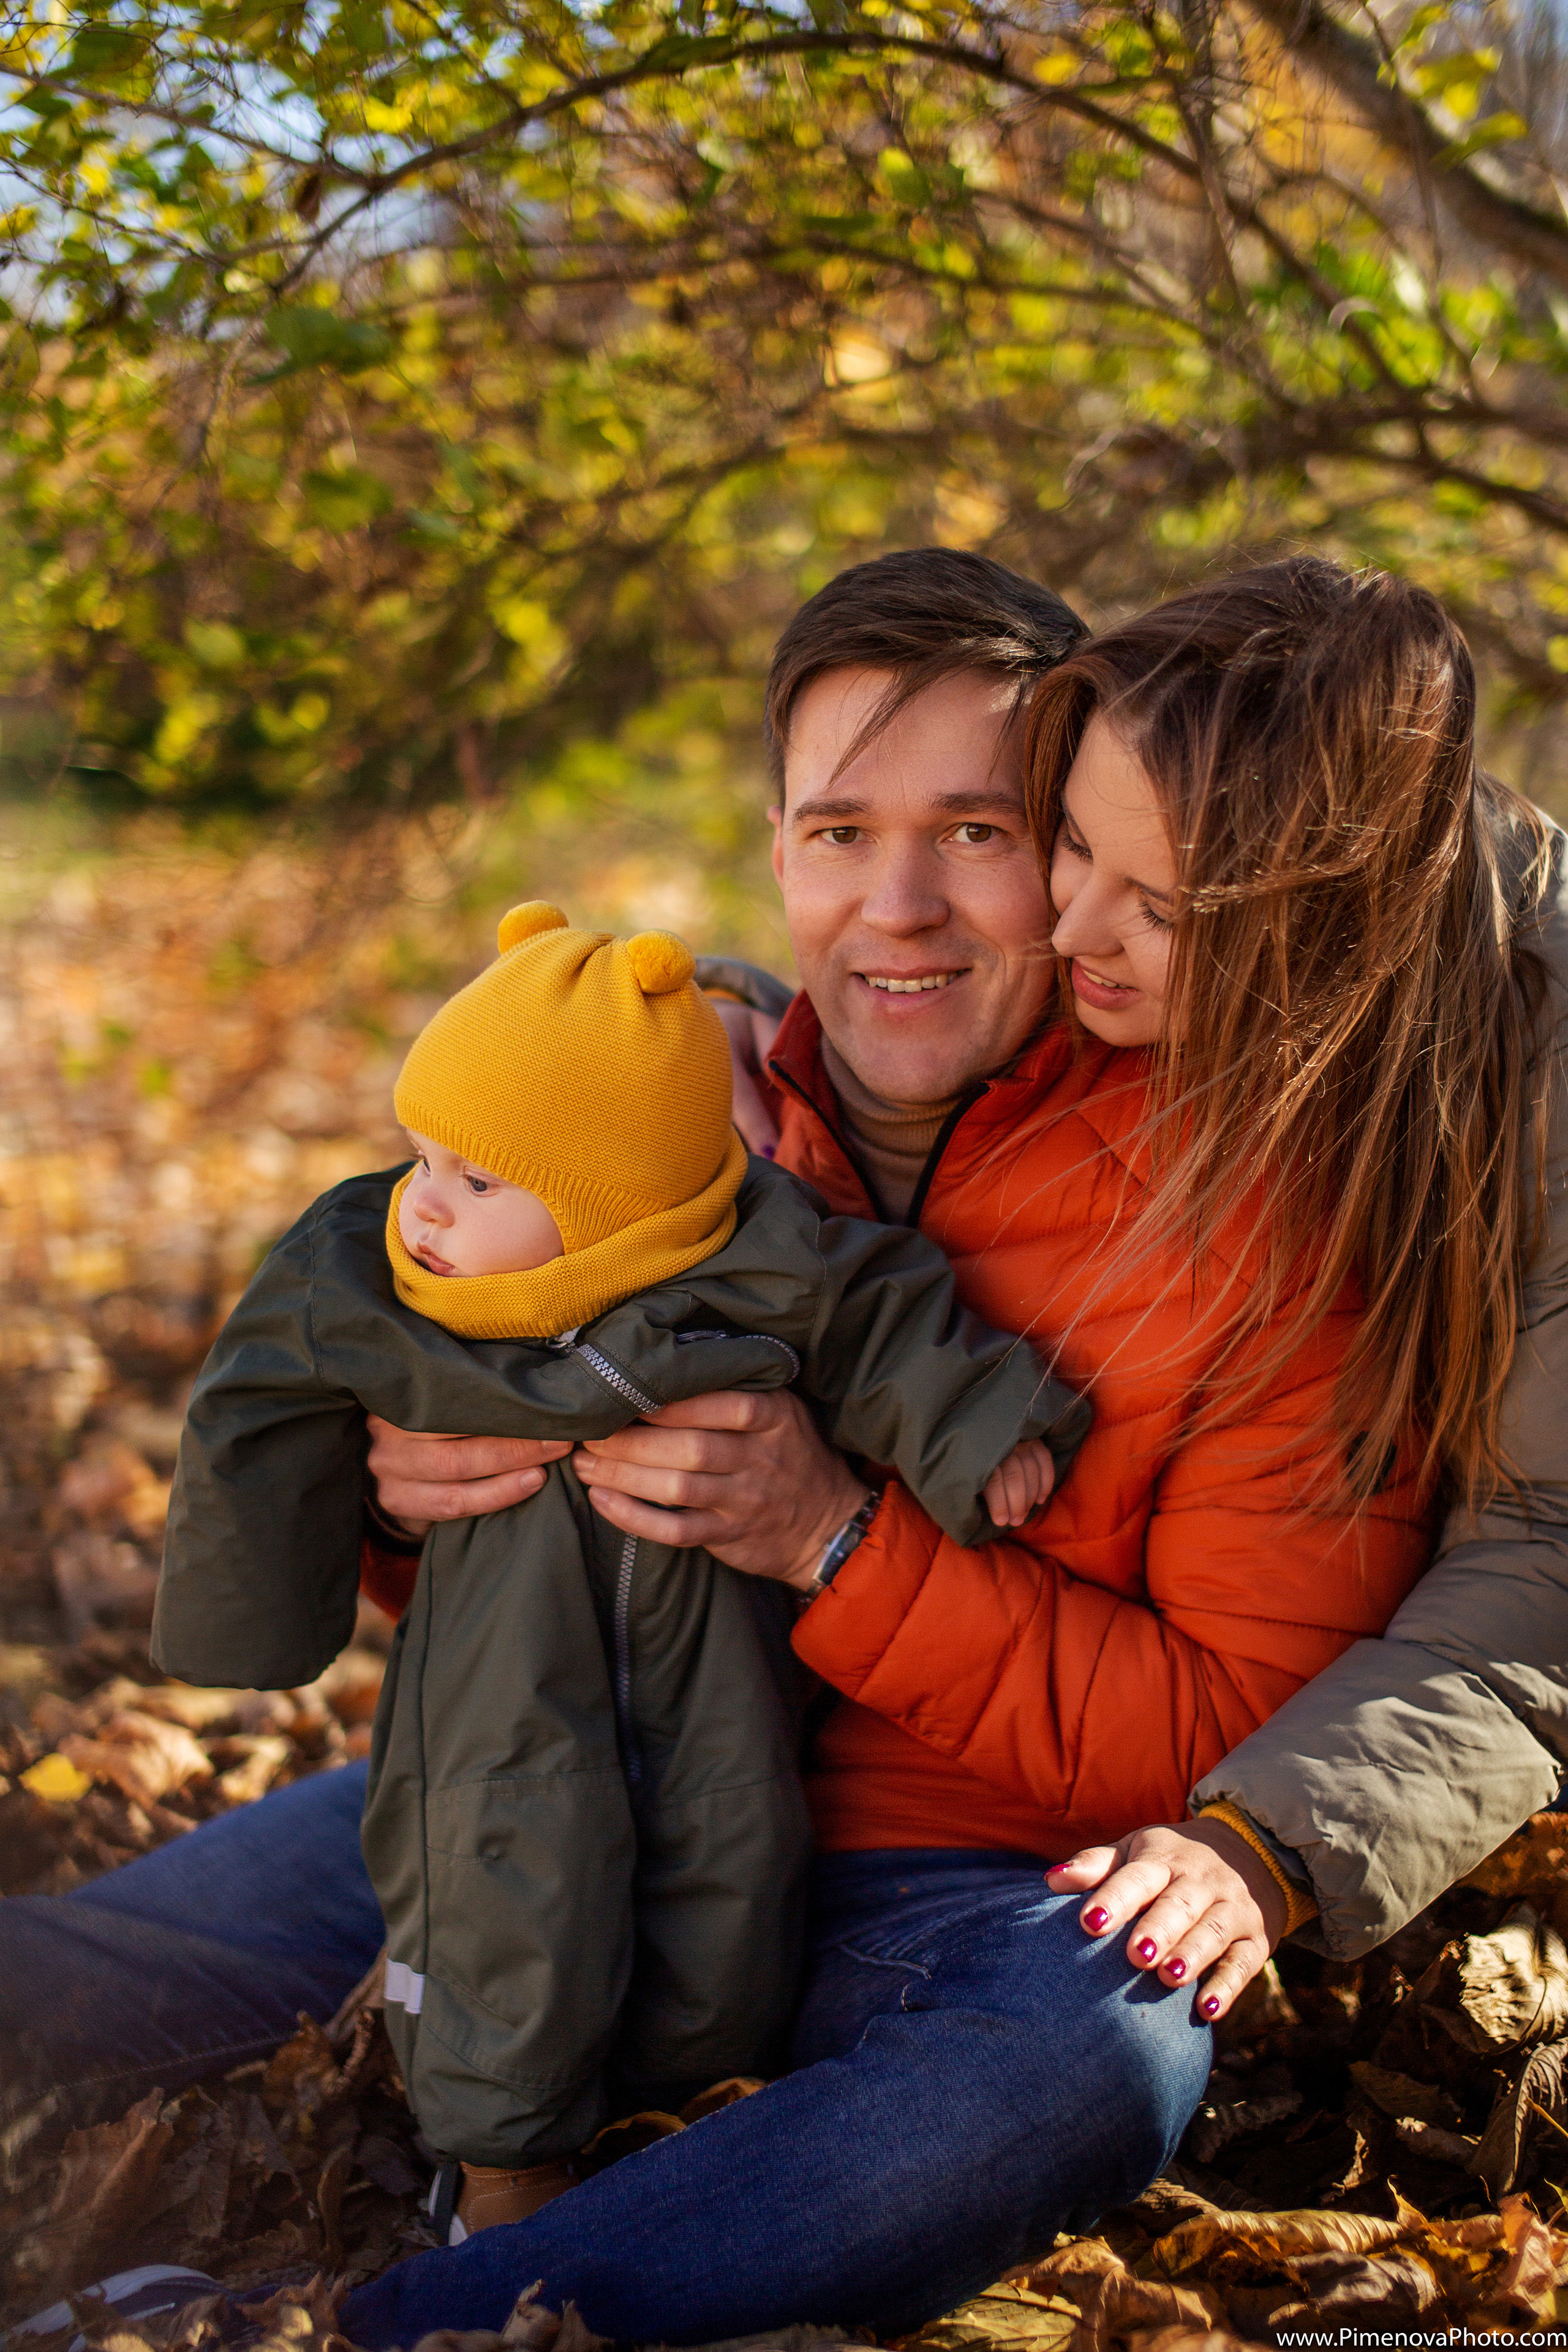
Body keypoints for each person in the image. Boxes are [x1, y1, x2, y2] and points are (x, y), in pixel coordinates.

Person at [0, 547, 1554, 2347]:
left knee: (1101, 2052)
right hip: (552, 1782)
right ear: (776, 849)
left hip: (933, 1870)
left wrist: (836, 1543)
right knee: (63, 1977)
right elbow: (421, 1388)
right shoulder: (669, 1112)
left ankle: (378, 2330)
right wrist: (393, 1487)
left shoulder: (1265, 1217)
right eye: (837, 833)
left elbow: (1218, 1723)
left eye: (977, 832)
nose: (899, 906)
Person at [153, 902, 1082, 2241]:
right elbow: (257, 1391)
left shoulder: (744, 1257)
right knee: (499, 1900)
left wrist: (981, 1427)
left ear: (613, 1207)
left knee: (729, 1894)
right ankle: (499, 2171)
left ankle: (678, 2120)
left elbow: (880, 1312)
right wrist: (255, 1601)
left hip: (717, 1681)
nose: (427, 1203)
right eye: (422, 1157)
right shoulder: (375, 1271)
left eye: (480, 1183)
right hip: (496, 1695)